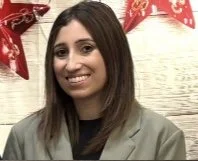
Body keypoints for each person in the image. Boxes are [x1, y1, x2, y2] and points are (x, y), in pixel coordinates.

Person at [3, 1, 186, 160]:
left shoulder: (163, 137)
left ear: (114, 53)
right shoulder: (23, 137)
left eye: (86, 48)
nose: (71, 64)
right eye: (61, 52)